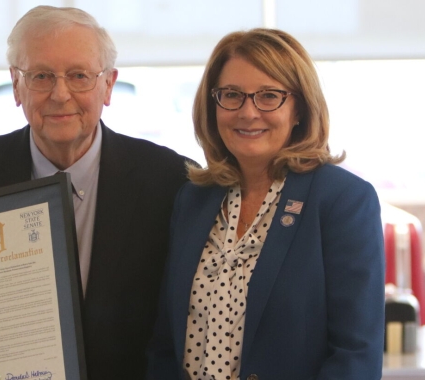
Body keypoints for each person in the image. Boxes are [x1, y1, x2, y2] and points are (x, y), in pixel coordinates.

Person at [0, 6, 192, 380]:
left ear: (108, 85)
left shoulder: (171, 182)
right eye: (41, 76)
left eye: (79, 75)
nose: (60, 94)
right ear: (16, 86)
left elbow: (191, 322)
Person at [146, 28, 385, 380]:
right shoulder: (194, 199)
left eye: (269, 96)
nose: (248, 112)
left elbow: (356, 357)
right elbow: (166, 342)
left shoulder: (341, 201)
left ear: (299, 108)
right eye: (232, 95)